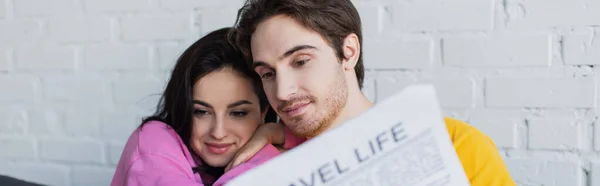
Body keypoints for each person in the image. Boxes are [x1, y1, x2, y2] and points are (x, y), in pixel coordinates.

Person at [225, 0, 516, 185]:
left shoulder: (458, 145)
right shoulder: (269, 167)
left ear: (348, 52)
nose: (283, 92)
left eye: (301, 61)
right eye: (268, 74)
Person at [110, 27, 281, 186]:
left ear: (264, 110)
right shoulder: (153, 143)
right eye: (201, 112)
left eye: (238, 113)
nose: (218, 133)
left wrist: (277, 134)